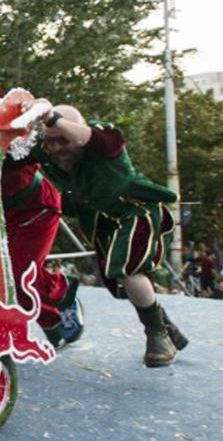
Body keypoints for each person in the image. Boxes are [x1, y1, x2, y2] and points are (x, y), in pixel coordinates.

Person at [33, 104, 188, 367]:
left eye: (63, 140)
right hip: (101, 221)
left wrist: (53, 118)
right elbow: (11, 151)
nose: (58, 149)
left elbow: (94, 139)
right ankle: (164, 324)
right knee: (121, 285)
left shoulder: (103, 137)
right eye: (51, 142)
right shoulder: (45, 151)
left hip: (136, 210)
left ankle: (157, 335)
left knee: (128, 269)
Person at [0, 81, 83, 348]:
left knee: (20, 275)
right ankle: (51, 319)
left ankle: (62, 292)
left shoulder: (14, 133)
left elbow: (45, 133)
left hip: (35, 210)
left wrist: (39, 106)